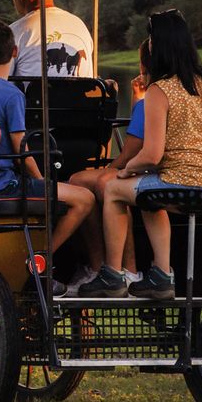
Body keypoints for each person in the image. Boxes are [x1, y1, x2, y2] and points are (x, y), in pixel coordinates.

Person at [82, 10, 202, 300]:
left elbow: (151, 155)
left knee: (115, 190)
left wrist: (126, 170)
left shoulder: (160, 89)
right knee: (147, 195)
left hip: (183, 184)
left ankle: (113, 275)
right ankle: (160, 274)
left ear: (158, 46)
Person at [0, 21, 95, 289]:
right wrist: (41, 179)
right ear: (15, 52)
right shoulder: (12, 94)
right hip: (1, 185)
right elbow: (20, 145)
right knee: (85, 199)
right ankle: (41, 258)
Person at [66, 39, 152, 293]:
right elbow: (139, 133)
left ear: (143, 65)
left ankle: (122, 269)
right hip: (148, 166)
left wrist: (111, 168)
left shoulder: (157, 98)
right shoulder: (152, 97)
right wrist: (137, 99)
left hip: (147, 168)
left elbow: (131, 152)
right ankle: (105, 267)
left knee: (95, 181)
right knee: (87, 180)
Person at [3, 0, 94, 78]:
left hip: (36, 91)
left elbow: (0, 82)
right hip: (81, 91)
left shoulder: (14, 32)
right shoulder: (80, 25)